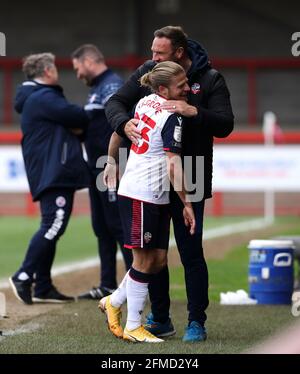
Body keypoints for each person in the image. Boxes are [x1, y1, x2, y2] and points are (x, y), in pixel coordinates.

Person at [105, 26, 234, 342]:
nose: (151, 59)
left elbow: (226, 124)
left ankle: (196, 321)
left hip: (191, 170)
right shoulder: (152, 72)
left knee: (191, 251)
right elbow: (115, 104)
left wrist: (194, 111)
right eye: (152, 52)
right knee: (155, 250)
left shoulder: (211, 78)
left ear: (179, 52)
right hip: (155, 176)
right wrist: (124, 123)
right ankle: (159, 317)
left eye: (158, 53)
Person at [99, 61, 196, 343]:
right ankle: (133, 325)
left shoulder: (145, 102)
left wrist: (111, 160)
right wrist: (187, 203)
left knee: (158, 259)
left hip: (148, 194)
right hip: (142, 193)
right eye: (182, 86)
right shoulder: (172, 115)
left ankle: (113, 301)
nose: (188, 88)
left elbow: (120, 130)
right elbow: (173, 163)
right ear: (165, 89)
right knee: (143, 260)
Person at [9, 53, 91, 304]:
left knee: (54, 225)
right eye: (54, 67)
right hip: (54, 171)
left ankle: (43, 285)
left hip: (52, 170)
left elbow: (72, 122)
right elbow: (80, 117)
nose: (56, 71)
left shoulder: (36, 98)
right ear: (47, 72)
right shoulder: (44, 97)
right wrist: (73, 125)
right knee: (53, 224)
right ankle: (24, 275)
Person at [71, 45, 133, 300]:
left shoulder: (111, 85)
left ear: (88, 61)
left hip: (110, 167)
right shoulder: (97, 89)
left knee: (118, 225)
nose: (77, 74)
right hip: (96, 168)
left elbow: (119, 127)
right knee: (102, 226)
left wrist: (116, 162)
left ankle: (135, 283)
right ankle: (107, 284)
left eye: (77, 68)